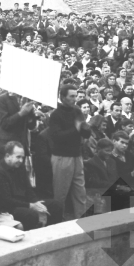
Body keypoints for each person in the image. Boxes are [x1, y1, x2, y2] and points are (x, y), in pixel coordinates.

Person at [0, 141, 63, 230]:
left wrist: (36, 202)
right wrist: (31, 206)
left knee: (56, 206)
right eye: (18, 157)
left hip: (24, 203)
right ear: (7, 155)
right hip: (9, 208)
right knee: (31, 214)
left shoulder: (19, 166)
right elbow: (7, 201)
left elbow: (28, 188)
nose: (21, 160)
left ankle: (52, 233)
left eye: (22, 157)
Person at [48, 84, 90, 220]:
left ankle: (82, 219)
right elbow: (56, 137)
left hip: (77, 156)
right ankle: (57, 221)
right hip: (62, 157)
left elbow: (85, 133)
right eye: (71, 96)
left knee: (80, 191)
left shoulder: (77, 111)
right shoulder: (56, 115)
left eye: (76, 96)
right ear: (62, 97)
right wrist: (76, 129)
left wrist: (86, 128)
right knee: (60, 193)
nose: (74, 99)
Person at [0, 91, 36, 161]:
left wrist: (30, 115)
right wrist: (21, 113)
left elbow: (32, 126)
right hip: (7, 146)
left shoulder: (27, 99)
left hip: (21, 145)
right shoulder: (2, 99)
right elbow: (4, 123)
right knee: (5, 170)